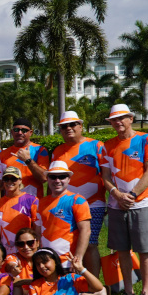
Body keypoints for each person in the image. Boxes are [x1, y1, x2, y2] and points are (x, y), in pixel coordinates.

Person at [100, 103, 148, 295]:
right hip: (116, 205)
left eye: (121, 118)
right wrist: (117, 194)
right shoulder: (107, 146)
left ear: (130, 119)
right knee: (122, 250)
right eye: (114, 120)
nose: (118, 122)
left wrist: (132, 195)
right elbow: (105, 176)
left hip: (141, 203)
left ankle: (145, 292)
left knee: (144, 249)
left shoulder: (146, 139)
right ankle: (128, 290)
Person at [42, 110, 108, 278]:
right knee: (72, 243)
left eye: (72, 124)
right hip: (65, 205)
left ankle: (93, 284)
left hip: (93, 204)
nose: (68, 128)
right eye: (64, 126)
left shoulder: (96, 146)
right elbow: (52, 178)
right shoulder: (58, 151)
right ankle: (74, 281)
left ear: (80, 126)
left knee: (90, 244)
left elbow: (108, 175)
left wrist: (112, 199)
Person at [36, 161, 91, 269]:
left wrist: (78, 258)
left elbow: (86, 231)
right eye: (53, 177)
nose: (57, 181)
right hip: (46, 263)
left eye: (62, 177)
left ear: (69, 179)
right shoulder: (41, 202)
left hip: (68, 262)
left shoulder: (77, 200)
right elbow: (38, 232)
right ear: (47, 179)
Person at [0, 117, 46, 198]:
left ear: (30, 133)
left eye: (24, 130)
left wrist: (28, 160)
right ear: (12, 132)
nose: (20, 133)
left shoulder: (40, 150)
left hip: (34, 201)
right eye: (16, 130)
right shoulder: (3, 154)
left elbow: (44, 178)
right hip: (11, 202)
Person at [0, 166, 39, 251]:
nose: (9, 182)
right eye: (6, 179)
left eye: (13, 179)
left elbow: (37, 230)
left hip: (26, 251)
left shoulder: (32, 201)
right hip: (6, 252)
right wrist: (1, 252)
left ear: (20, 180)